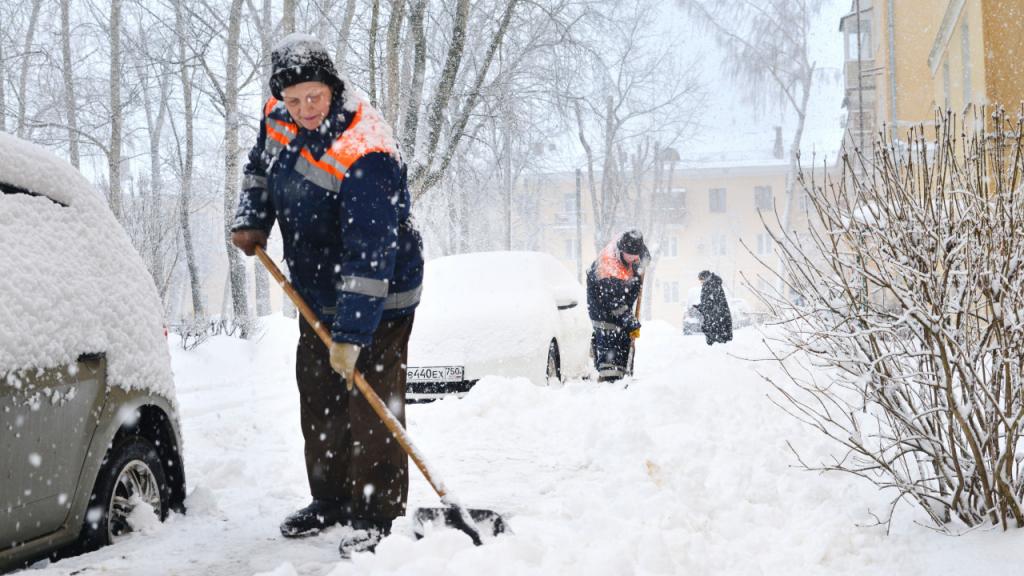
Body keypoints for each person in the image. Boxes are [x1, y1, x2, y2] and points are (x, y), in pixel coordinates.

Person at [230, 33, 423, 558]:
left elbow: (370, 254)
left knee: (371, 405)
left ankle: (378, 514)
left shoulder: (368, 151)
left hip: (380, 298)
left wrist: (353, 335)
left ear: (332, 88)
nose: (304, 109)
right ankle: (332, 500)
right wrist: (252, 219)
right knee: (318, 399)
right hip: (316, 291)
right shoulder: (279, 115)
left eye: (313, 97)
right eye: (293, 100)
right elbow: (259, 170)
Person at [586, 230, 649, 382]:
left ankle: (623, 375)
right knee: (610, 349)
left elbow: (644, 254)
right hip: (603, 309)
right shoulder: (608, 268)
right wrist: (631, 321)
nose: (635, 259)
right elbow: (613, 303)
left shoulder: (630, 246)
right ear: (621, 250)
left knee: (625, 338)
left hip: (621, 303)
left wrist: (643, 262)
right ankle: (608, 381)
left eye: (636, 255)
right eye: (631, 255)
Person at [692, 270, 732, 345]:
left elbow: (710, 303)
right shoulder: (714, 284)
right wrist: (700, 306)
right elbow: (710, 302)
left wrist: (702, 307)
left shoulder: (710, 285)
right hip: (717, 317)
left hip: (716, 319)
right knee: (717, 340)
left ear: (705, 278)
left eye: (701, 280)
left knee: (716, 342)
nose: (701, 282)